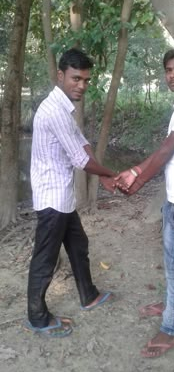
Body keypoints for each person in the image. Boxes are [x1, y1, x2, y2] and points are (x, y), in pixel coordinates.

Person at [115, 48, 174, 358]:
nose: (172, 74)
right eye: (169, 69)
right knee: (172, 262)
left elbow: (166, 150)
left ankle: (170, 330)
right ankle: (170, 303)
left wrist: (136, 176)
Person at [25, 48, 116, 337]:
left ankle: (88, 295)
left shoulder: (64, 108)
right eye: (76, 78)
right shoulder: (54, 111)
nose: (81, 85)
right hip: (52, 199)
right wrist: (110, 175)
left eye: (86, 80)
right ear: (60, 75)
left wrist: (100, 170)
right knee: (45, 258)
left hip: (62, 198)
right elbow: (80, 160)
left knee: (78, 244)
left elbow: (81, 142)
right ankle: (38, 317)